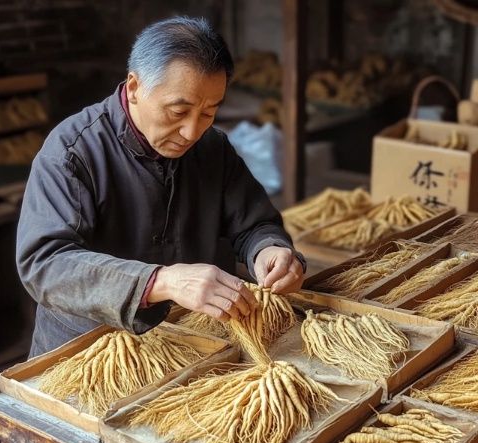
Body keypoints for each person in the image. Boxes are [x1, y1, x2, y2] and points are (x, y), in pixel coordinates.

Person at [16, 16, 305, 357]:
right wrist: (161, 282)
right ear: (135, 87)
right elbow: (45, 264)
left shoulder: (212, 148)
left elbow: (254, 224)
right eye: (177, 111)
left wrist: (269, 250)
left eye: (209, 112)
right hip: (90, 354)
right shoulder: (72, 152)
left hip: (194, 344)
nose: (191, 131)